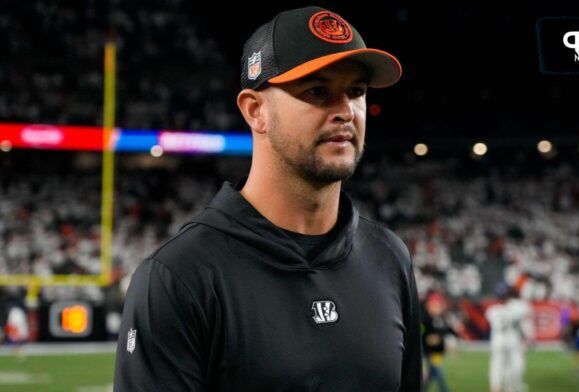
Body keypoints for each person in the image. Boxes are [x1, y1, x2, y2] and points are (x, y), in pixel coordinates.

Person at [113, 6, 422, 391]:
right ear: (255, 110)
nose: (345, 111)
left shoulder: (389, 257)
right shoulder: (180, 277)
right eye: (318, 91)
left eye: (356, 91)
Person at [485, 285, 534, 392]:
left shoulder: (491, 310)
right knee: (511, 365)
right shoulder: (515, 309)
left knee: (496, 364)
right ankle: (509, 387)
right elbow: (522, 320)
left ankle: (495, 387)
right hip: (512, 339)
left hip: (497, 339)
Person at [421, 290, 462, 392]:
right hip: (428, 355)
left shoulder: (441, 319)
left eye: (439, 305)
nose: (438, 307)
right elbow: (421, 339)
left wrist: (456, 330)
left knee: (429, 379)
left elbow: (450, 331)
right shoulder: (425, 319)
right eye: (435, 305)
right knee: (439, 377)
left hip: (437, 355)